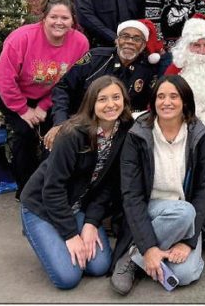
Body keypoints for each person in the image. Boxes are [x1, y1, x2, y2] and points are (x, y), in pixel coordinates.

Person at [19, 75, 134, 290]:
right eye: (102, 99)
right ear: (91, 102)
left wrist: (91, 223)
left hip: (79, 205)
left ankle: (63, 235)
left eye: (116, 97)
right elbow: (52, 189)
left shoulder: (124, 131)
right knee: (68, 277)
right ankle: (40, 230)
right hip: (43, 205)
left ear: (124, 100)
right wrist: (71, 235)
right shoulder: (72, 134)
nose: (111, 104)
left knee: (99, 266)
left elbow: (109, 184)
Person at [110, 75, 205, 295]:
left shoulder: (198, 134)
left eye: (174, 96)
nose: (167, 102)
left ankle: (139, 256)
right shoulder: (138, 135)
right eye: (161, 96)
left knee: (185, 275)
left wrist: (188, 243)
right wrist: (149, 247)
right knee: (185, 212)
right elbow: (132, 196)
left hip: (185, 213)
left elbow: (203, 192)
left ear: (185, 101)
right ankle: (138, 255)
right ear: (153, 101)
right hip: (150, 208)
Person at [0, 0, 89, 199]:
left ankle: (48, 187)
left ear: (72, 20)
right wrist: (23, 110)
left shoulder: (80, 43)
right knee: (25, 135)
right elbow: (5, 78)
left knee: (52, 137)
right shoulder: (21, 38)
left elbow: (68, 82)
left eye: (65, 18)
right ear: (44, 17)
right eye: (54, 17)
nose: (59, 22)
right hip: (10, 91)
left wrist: (43, 107)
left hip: (48, 95)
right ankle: (25, 191)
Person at [44, 19, 161, 150]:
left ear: (143, 45)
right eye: (125, 36)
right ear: (117, 40)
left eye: (137, 39)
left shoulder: (147, 70)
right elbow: (63, 87)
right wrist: (60, 122)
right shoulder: (95, 58)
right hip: (80, 125)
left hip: (119, 136)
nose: (130, 41)